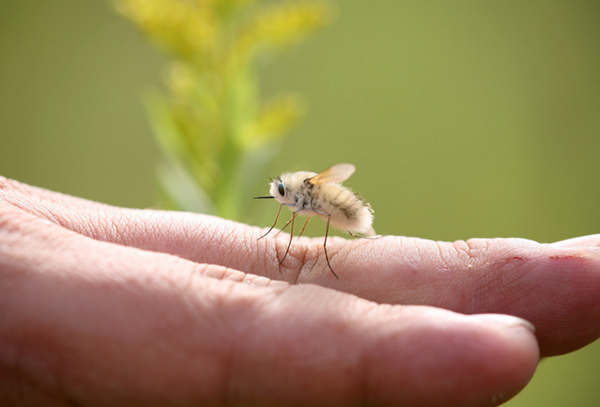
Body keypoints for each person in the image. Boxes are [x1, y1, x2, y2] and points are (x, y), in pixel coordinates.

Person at [1, 176, 599, 407]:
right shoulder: (297, 201)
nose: (283, 205)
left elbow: (320, 204)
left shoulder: (311, 201)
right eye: (283, 201)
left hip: (344, 218)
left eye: (284, 200)